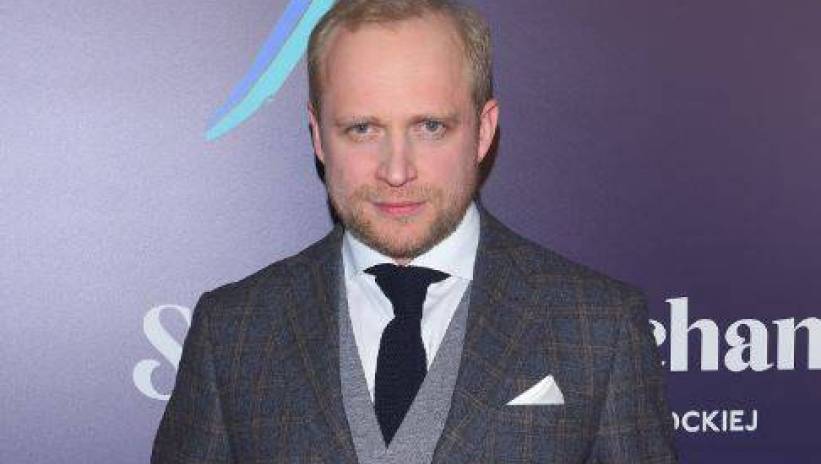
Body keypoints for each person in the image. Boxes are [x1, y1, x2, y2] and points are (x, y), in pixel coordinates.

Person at [151, 1, 678, 462]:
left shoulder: (598, 327)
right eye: (363, 129)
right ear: (318, 137)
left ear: (483, 131)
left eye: (430, 127)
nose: (397, 170)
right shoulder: (234, 332)